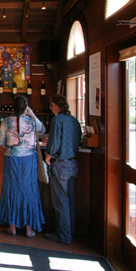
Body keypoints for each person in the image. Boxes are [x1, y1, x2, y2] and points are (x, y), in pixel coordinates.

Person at [0, 95, 46, 238]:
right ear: (26, 107)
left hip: (11, 159)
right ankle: (29, 230)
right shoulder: (31, 121)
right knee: (29, 191)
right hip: (29, 160)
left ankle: (12, 227)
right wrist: (31, 114)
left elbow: (1, 141)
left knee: (11, 190)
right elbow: (42, 129)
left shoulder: (6, 121)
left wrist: (11, 145)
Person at [43, 93, 82, 244]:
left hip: (60, 165)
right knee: (70, 201)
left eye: (51, 105)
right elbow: (72, 139)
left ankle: (63, 235)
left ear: (54, 105)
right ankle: (69, 233)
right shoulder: (74, 121)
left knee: (60, 202)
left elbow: (53, 147)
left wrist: (48, 157)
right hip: (73, 164)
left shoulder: (57, 120)